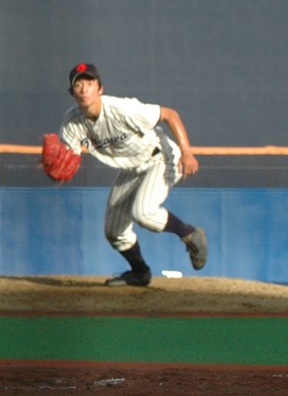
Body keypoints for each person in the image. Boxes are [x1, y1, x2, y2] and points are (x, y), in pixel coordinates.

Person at [56, 62, 208, 287]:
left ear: (100, 89)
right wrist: (57, 168)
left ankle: (190, 234)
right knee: (114, 231)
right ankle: (140, 272)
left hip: (161, 157)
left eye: (90, 83)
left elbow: (170, 114)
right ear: (72, 92)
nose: (84, 89)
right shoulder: (72, 123)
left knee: (143, 212)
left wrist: (187, 152)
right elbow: (69, 158)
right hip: (132, 167)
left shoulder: (122, 109)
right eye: (78, 85)